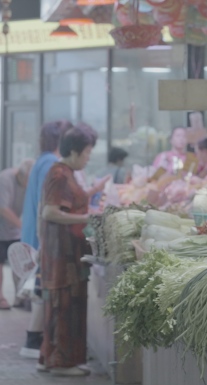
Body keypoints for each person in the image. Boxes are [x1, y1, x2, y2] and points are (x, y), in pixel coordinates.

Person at [38, 125, 107, 376]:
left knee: (61, 306)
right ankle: (62, 363)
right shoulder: (60, 174)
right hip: (62, 255)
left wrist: (92, 193)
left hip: (65, 253)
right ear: (75, 151)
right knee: (64, 306)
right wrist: (87, 217)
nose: (88, 157)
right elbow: (50, 212)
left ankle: (49, 358)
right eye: (87, 153)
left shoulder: (64, 172)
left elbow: (64, 204)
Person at [19, 120, 73, 359]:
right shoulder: (52, 164)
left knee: (41, 292)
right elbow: (48, 205)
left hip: (33, 233)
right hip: (41, 236)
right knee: (42, 292)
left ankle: (37, 341)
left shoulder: (41, 160)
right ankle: (34, 342)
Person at [0, 159, 34, 310]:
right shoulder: (5, 179)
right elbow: (2, 208)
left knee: (19, 262)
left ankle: (20, 296)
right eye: (29, 180)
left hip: (14, 230)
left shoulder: (28, 185)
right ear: (21, 175)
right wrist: (22, 225)